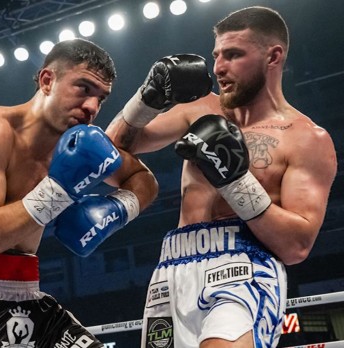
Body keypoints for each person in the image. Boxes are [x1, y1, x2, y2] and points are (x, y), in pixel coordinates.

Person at [106, 6, 337, 348]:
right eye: (216, 55)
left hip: (244, 268)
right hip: (172, 268)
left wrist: (235, 180)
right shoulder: (198, 109)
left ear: (273, 57)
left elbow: (296, 246)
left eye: (233, 55)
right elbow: (108, 155)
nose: (218, 68)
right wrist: (146, 98)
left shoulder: (305, 138)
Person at [0, 38, 159, 347]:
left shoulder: (81, 145)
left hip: (27, 293)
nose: (92, 106)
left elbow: (143, 180)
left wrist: (118, 209)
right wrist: (60, 189)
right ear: (47, 80)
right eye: (83, 88)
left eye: (101, 98)